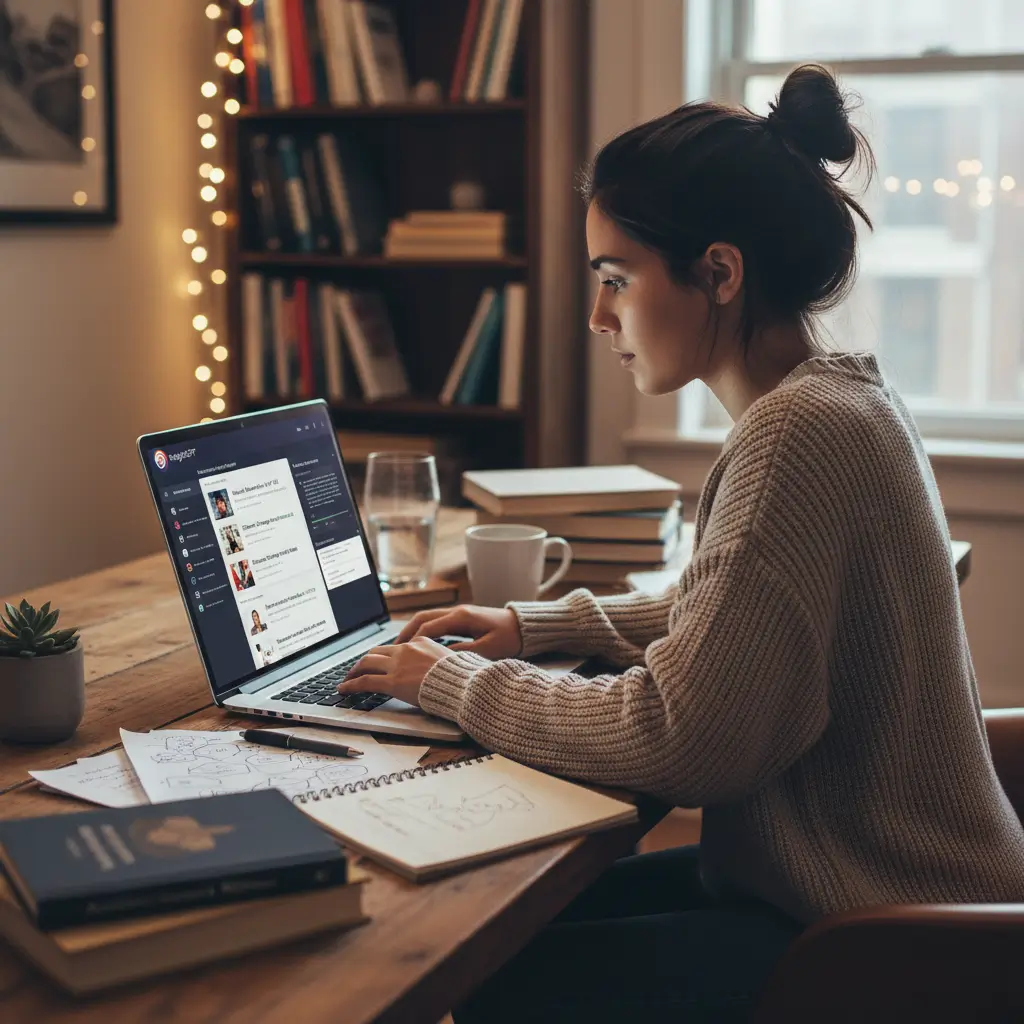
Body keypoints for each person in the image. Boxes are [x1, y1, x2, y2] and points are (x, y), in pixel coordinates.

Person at [338, 65, 1024, 1022]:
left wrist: (448, 681)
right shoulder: (844, 401)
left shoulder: (798, 435)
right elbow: (745, 619)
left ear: (719, 272)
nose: (598, 316)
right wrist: (532, 628)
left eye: (616, 280)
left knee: (481, 964)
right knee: (506, 930)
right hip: (875, 900)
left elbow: (685, 737)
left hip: (879, 943)